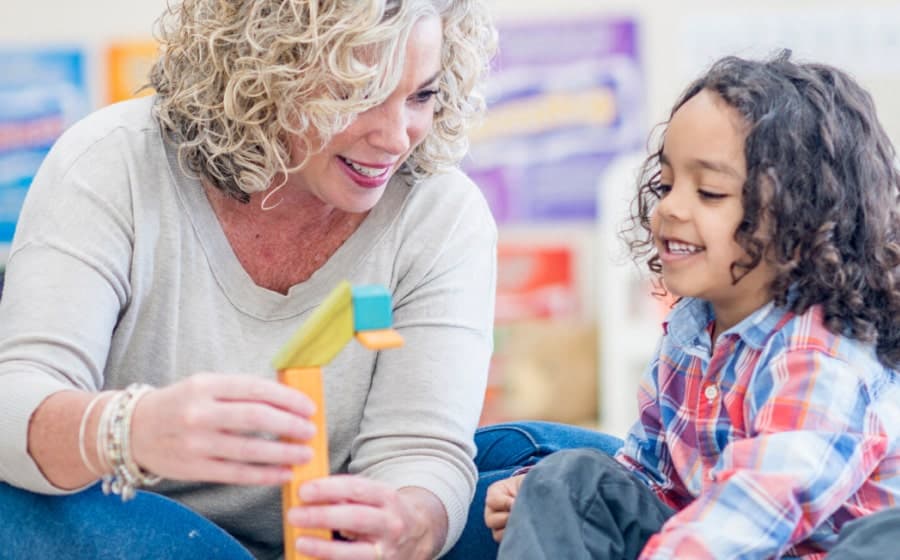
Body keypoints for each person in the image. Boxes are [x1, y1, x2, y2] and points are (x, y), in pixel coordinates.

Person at [0, 1, 501, 559]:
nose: (395, 137)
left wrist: (404, 526)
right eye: (353, 94)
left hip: (321, 535)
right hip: (128, 524)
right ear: (263, 72)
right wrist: (129, 430)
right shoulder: (112, 163)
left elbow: (420, 451)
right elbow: (17, 400)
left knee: (557, 462)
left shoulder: (442, 212)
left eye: (421, 95)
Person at [485, 50, 900, 559]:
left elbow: (755, 510)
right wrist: (547, 504)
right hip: (697, 541)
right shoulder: (691, 327)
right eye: (665, 184)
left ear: (803, 220)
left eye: (709, 192)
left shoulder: (820, 360)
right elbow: (648, 479)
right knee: (570, 479)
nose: (670, 208)